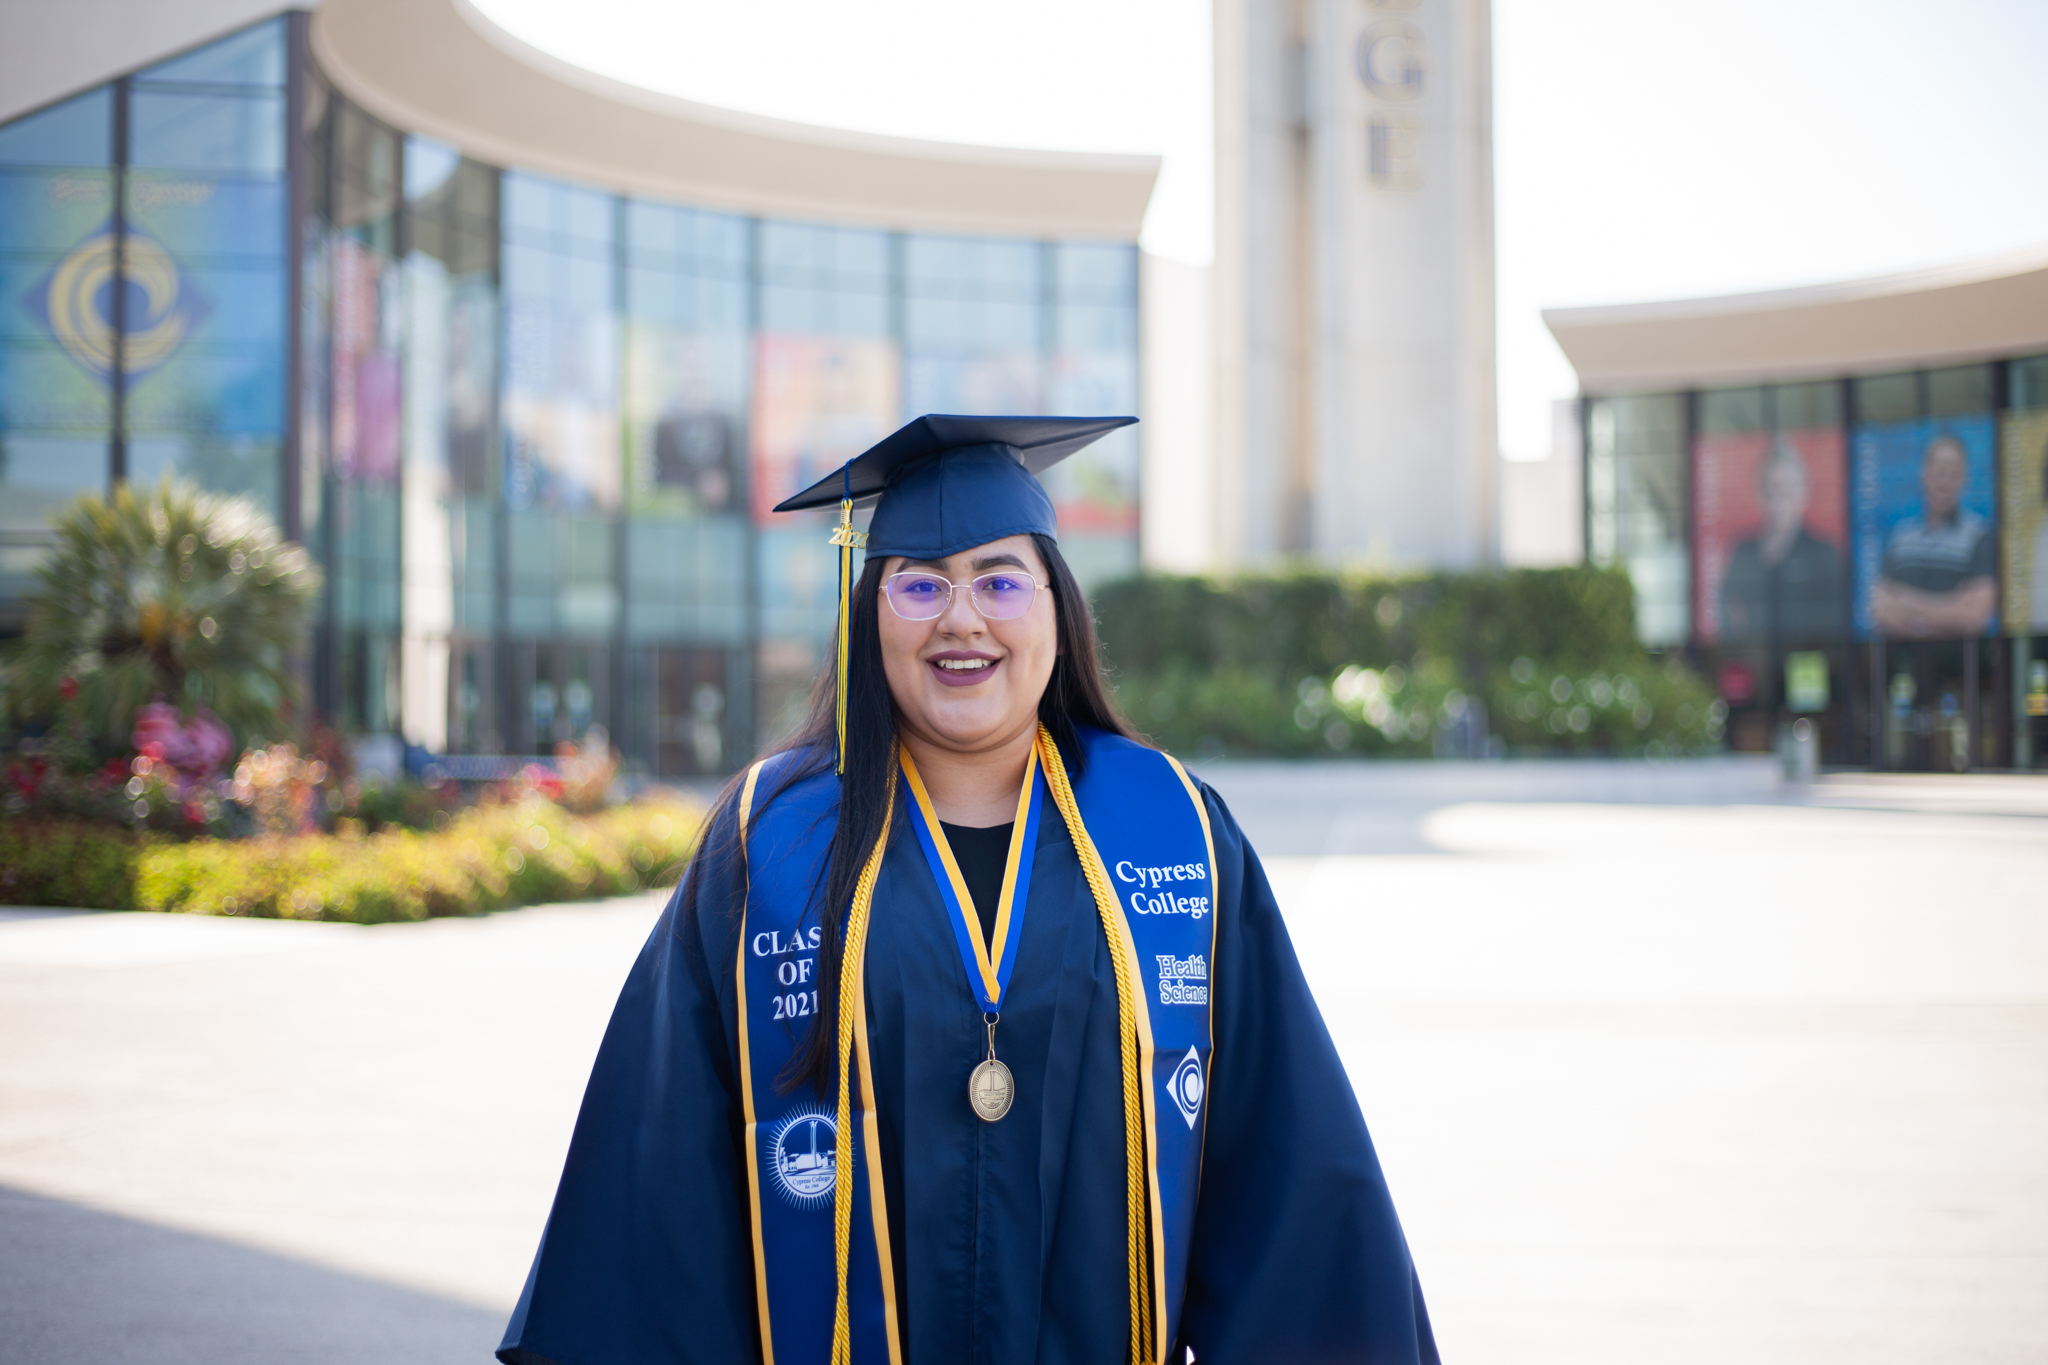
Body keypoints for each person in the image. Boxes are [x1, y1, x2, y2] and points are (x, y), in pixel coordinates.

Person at [498, 414, 1439, 1365]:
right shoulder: (769, 845)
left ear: (1056, 607)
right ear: (870, 613)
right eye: (919, 585)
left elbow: (1288, 1182)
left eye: (999, 579)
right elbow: (659, 1195)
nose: (961, 618)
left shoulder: (1177, 835)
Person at [1870, 433, 1997, 639]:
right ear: (1924, 475)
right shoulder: (1902, 537)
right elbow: (1879, 608)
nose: (1943, 482)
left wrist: (1907, 601)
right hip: (1904, 663)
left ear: (1963, 478)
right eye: (1938, 472)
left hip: (1962, 665)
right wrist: (1950, 609)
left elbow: (1976, 616)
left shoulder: (1980, 537)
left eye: (1951, 473)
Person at [1718, 438, 1844, 643]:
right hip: (1758, 660)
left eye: (1787, 489)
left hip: (1808, 661)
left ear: (1803, 492)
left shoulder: (1823, 552)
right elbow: (1722, 600)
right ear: (1759, 493)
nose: (1779, 500)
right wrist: (1738, 645)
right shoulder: (1743, 551)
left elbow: (1837, 616)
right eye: (1771, 489)